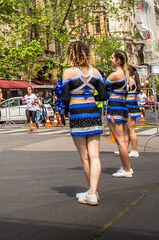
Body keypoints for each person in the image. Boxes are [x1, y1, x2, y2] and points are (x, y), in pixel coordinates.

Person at [62, 40, 108, 205]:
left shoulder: (68, 73)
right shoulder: (96, 73)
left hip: (77, 113)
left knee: (85, 157)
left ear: (71, 54)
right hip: (93, 112)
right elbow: (103, 96)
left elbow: (65, 98)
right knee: (95, 155)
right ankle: (92, 192)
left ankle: (91, 191)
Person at [106, 50, 133, 178]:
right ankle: (126, 167)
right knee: (121, 139)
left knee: (119, 140)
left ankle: (126, 169)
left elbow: (103, 87)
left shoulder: (115, 74)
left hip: (114, 105)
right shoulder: (125, 73)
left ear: (118, 61)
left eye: (112, 58)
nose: (110, 59)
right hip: (121, 105)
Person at [124, 66, 141, 158]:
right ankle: (125, 149)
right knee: (127, 130)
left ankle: (135, 150)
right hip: (132, 104)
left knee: (131, 130)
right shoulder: (133, 80)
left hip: (129, 105)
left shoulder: (129, 81)